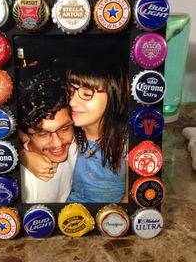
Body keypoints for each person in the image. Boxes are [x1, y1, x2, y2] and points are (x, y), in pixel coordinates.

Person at [22, 59, 129, 203]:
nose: (72, 102)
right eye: (71, 92)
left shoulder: (126, 140)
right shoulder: (71, 132)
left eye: (86, 94)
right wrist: (24, 157)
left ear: (114, 97)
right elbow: (21, 129)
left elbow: (132, 194)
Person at [17, 68, 77, 203]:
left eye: (64, 128)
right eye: (43, 134)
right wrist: (22, 155)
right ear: (26, 134)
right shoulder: (24, 185)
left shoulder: (76, 145)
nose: (58, 144)